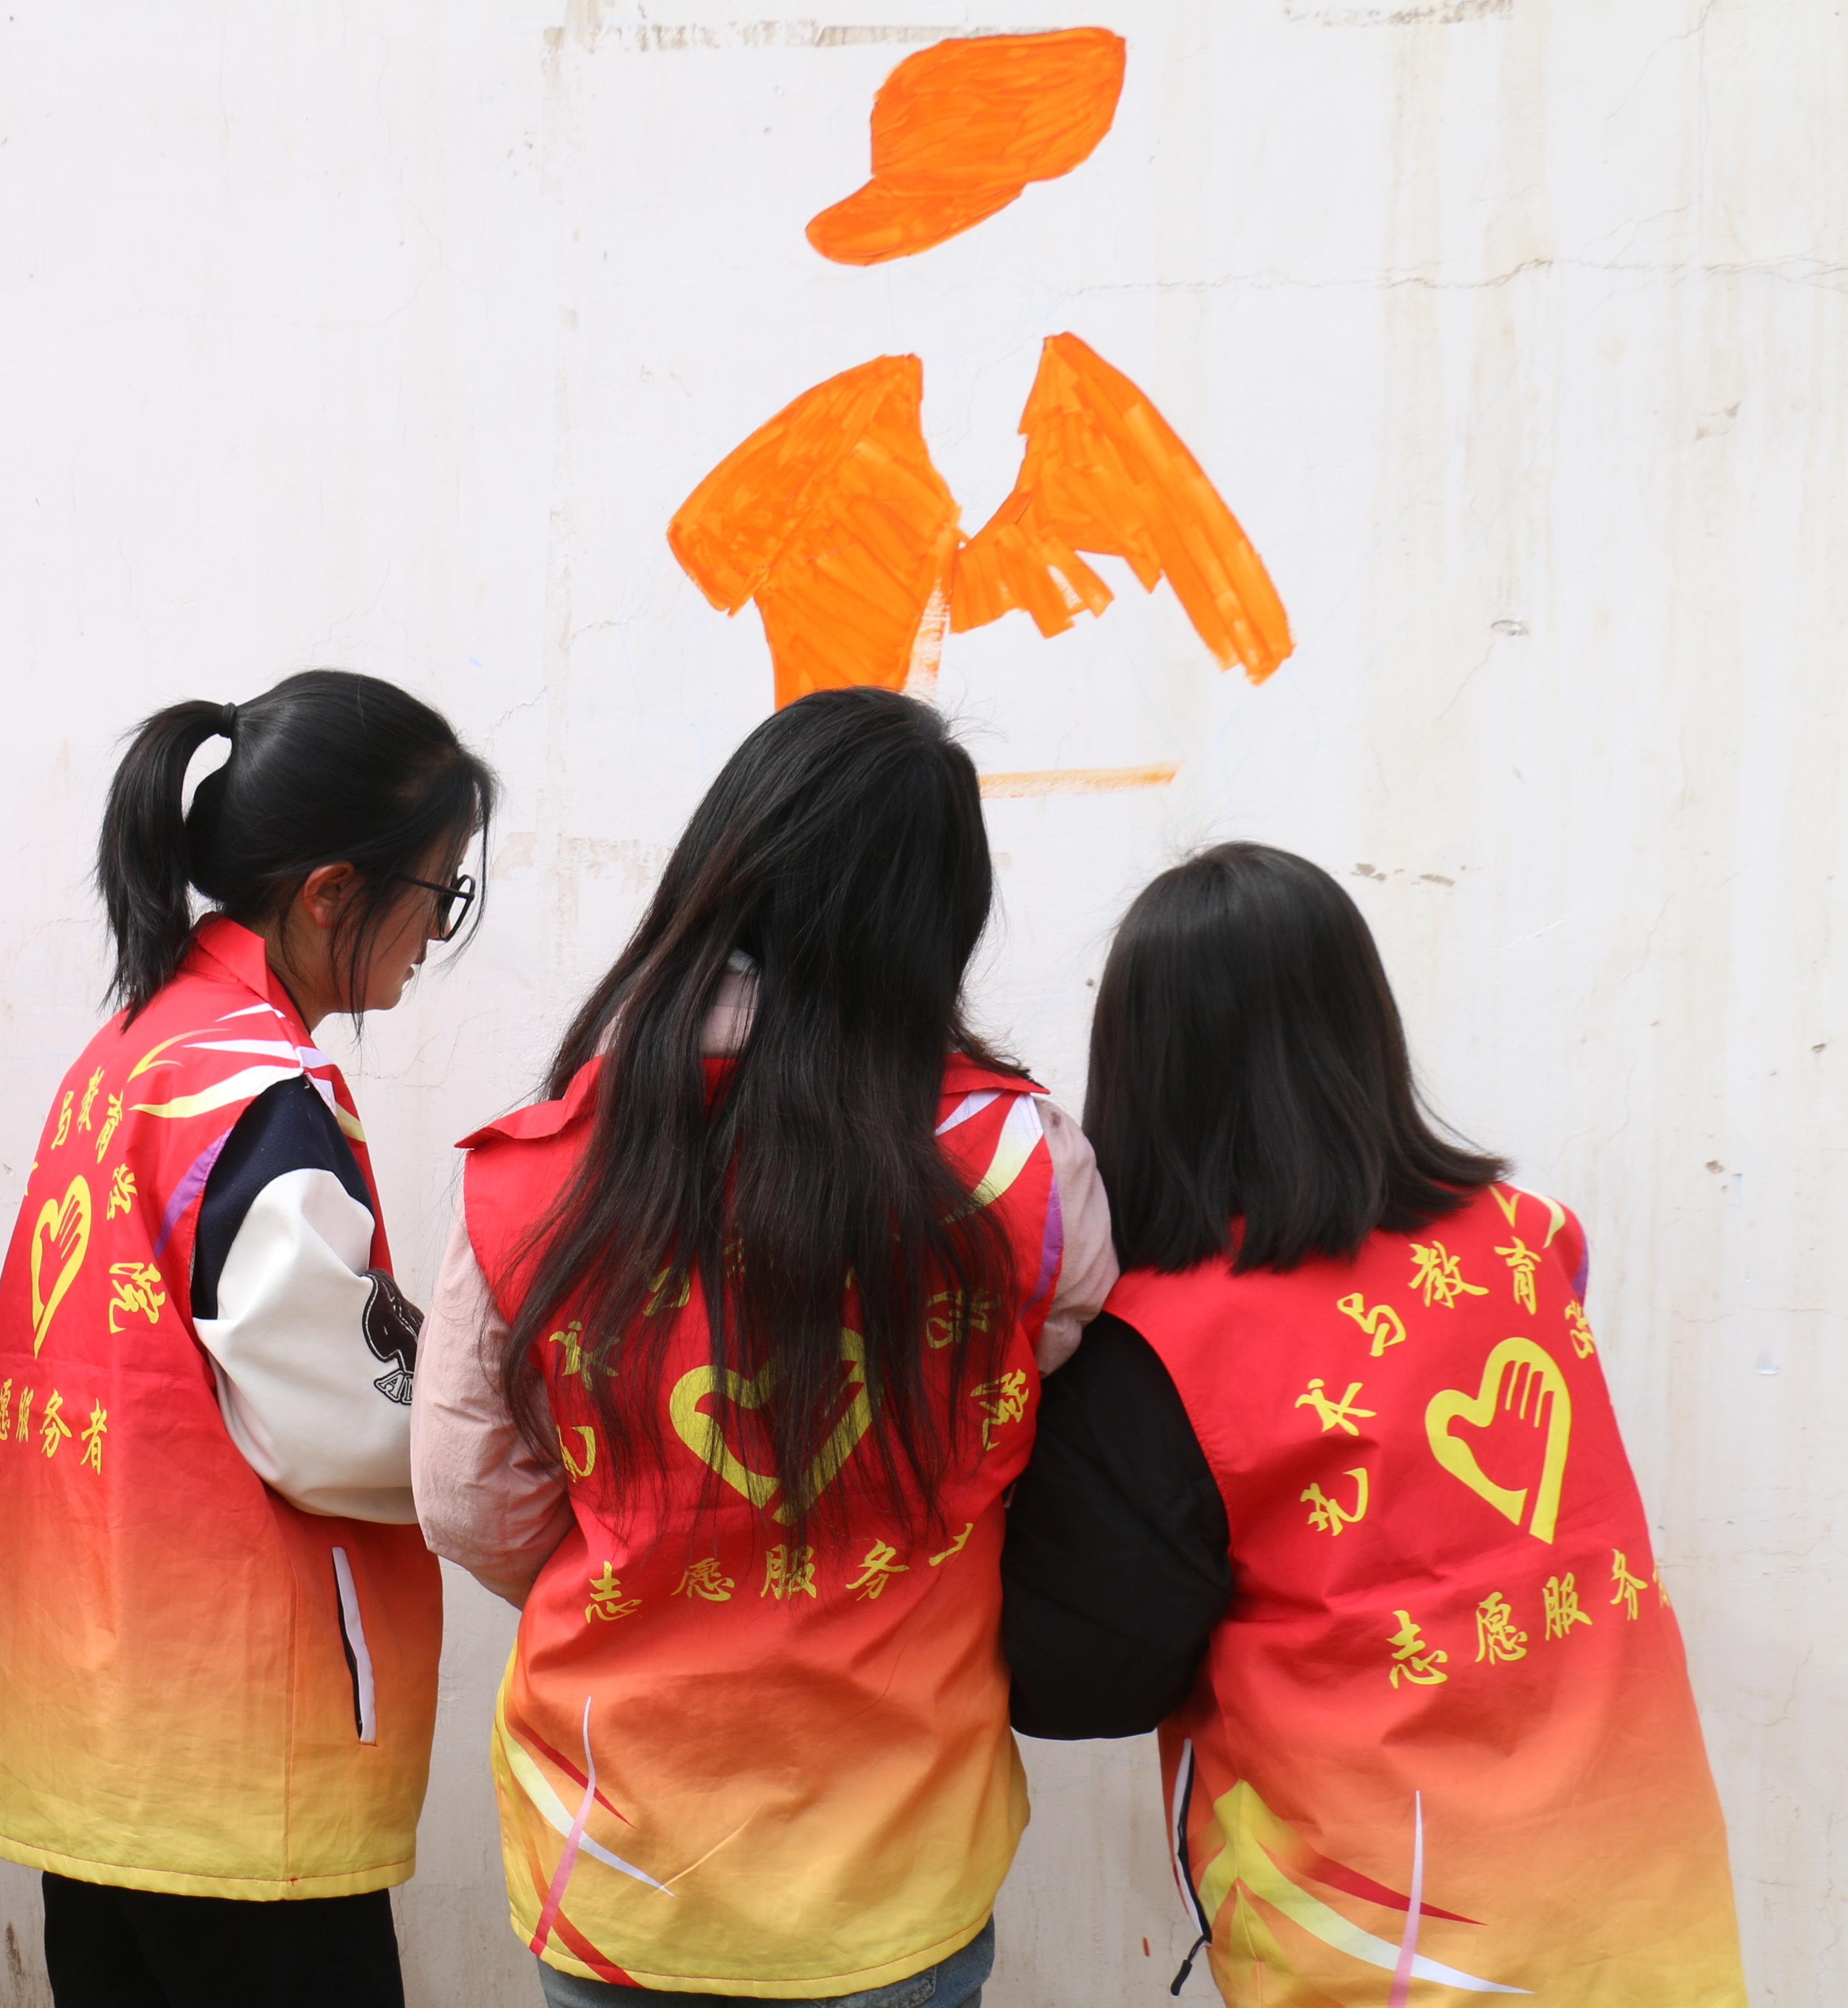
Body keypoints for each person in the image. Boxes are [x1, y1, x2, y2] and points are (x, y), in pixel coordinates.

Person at [414, 689, 1113, 2005]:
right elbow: (1053, 1357)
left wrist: (650, 1557)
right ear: (936, 920)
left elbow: (468, 1502)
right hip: (896, 1867)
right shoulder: (1022, 1166)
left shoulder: (538, 1168)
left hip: (618, 1858)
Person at [999, 841, 1745, 2006]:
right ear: (1361, 1028)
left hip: (1392, 1947)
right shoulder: (1533, 1237)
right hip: (1646, 1901)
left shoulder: (1156, 1350)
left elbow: (1085, 1683)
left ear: (1145, 1067)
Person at [0, 669, 496, 2006]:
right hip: (229, 1763)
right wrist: (524, 1415)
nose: (437, 934)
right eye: (440, 893)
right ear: (332, 893)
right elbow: (336, 1419)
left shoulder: (134, 1050)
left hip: (93, 1721)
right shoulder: (259, 1086)